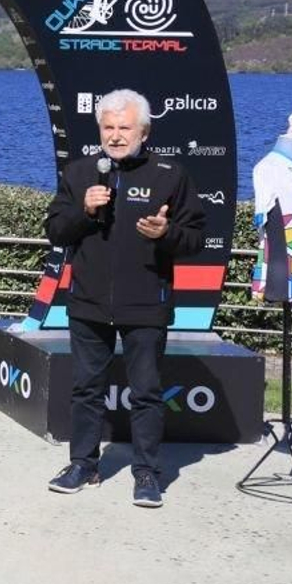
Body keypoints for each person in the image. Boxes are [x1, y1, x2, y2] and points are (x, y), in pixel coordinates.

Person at [44, 89, 204, 508]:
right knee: (86, 389)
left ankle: (147, 472)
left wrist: (165, 234)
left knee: (147, 391)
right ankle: (83, 463)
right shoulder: (80, 173)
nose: (115, 136)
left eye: (124, 128)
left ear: (144, 131)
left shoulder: (170, 174)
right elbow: (56, 231)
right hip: (88, 301)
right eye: (108, 127)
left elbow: (197, 239)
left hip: (146, 301)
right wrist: (83, 211)